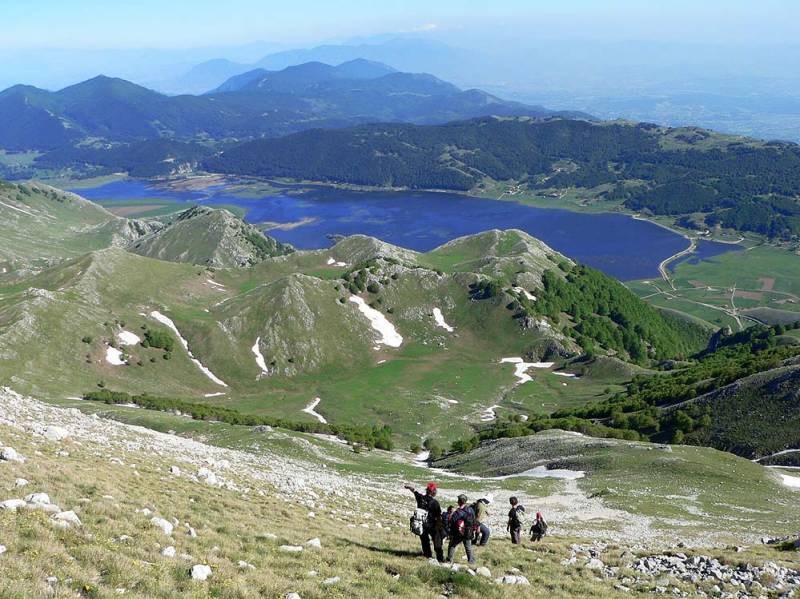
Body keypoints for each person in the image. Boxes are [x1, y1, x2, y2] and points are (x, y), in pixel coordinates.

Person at [404, 482, 444, 562]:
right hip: (432, 525)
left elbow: (414, 491)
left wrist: (409, 487)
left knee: (425, 541)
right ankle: (440, 558)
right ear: (434, 492)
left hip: (421, 524)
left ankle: (427, 556)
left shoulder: (420, 498)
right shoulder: (435, 503)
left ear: (427, 490)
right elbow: (438, 516)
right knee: (437, 542)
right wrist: (440, 527)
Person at [447, 494, 476, 564]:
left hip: (459, 532)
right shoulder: (471, 509)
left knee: (452, 545)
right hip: (468, 531)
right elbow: (474, 519)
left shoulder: (458, 512)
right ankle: (471, 561)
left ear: (459, 501)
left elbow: (452, 521)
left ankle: (449, 560)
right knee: (468, 547)